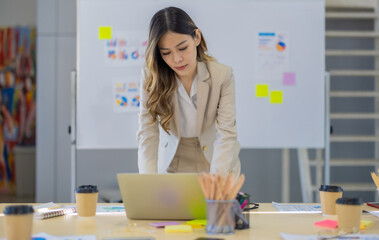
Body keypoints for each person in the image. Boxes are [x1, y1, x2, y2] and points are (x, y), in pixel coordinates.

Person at [137, 6, 241, 175]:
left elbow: (226, 134)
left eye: (182, 48)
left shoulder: (222, 75)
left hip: (215, 156)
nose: (177, 59)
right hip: (173, 158)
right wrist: (147, 184)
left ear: (196, 38)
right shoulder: (151, 77)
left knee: (214, 200)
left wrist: (217, 184)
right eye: (166, 53)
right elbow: (147, 134)